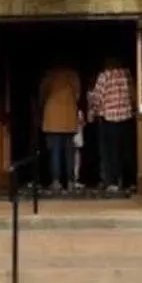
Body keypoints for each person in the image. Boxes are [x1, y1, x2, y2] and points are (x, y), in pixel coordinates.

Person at [87, 56, 135, 193]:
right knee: (126, 151)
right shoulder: (126, 74)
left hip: (109, 118)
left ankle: (113, 182)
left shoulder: (104, 76)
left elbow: (97, 97)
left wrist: (95, 111)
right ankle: (129, 182)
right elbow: (132, 93)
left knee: (110, 151)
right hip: (126, 117)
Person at [38, 63, 82, 192]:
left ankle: (56, 182)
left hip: (52, 118)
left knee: (55, 151)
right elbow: (78, 95)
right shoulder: (73, 76)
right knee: (69, 152)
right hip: (68, 117)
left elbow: (42, 94)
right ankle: (70, 182)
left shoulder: (50, 76)